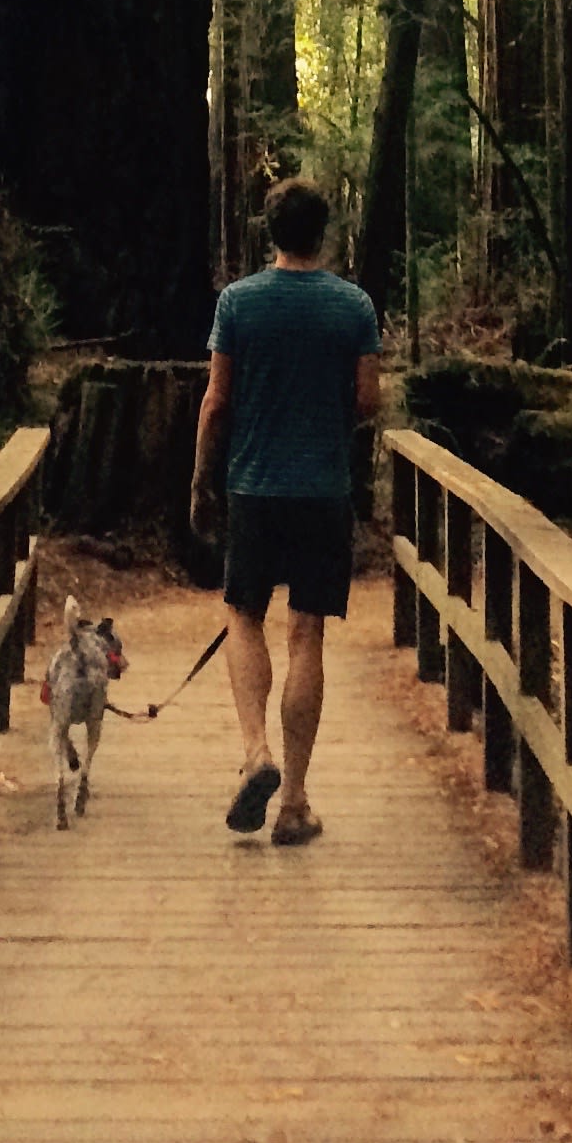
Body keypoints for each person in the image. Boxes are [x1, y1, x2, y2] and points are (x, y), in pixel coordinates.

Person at [189, 176, 381, 846]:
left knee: (244, 615)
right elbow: (367, 400)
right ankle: (295, 800)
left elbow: (216, 400)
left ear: (271, 233)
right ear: (322, 232)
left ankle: (255, 751)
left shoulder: (238, 303)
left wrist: (200, 482)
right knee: (307, 633)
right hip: (323, 491)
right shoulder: (353, 305)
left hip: (254, 488)